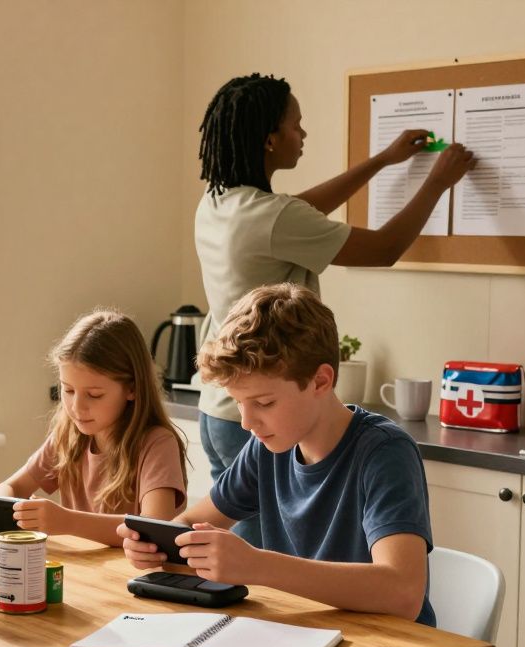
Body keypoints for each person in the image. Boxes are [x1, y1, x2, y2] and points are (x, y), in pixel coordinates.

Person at [118, 283, 435, 647]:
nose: (247, 422)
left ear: (321, 381)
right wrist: (157, 542)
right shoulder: (268, 447)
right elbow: (190, 523)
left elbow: (403, 592)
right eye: (240, 403)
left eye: (263, 403)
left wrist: (256, 566)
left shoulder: (384, 453)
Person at [191, 73, 474, 547]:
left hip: (223, 406)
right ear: (270, 139)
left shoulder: (220, 202)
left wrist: (382, 161)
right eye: (296, 125)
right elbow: (384, 247)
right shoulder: (272, 218)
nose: (304, 135)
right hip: (266, 404)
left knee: (243, 557)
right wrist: (437, 181)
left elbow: (296, 210)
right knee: (262, 568)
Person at [0, 310, 187, 546]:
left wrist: (68, 522)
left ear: (132, 389)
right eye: (68, 390)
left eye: (94, 395)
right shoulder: (68, 435)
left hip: (137, 576)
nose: (77, 407)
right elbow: (11, 486)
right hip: (84, 574)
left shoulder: (157, 443)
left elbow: (153, 528)